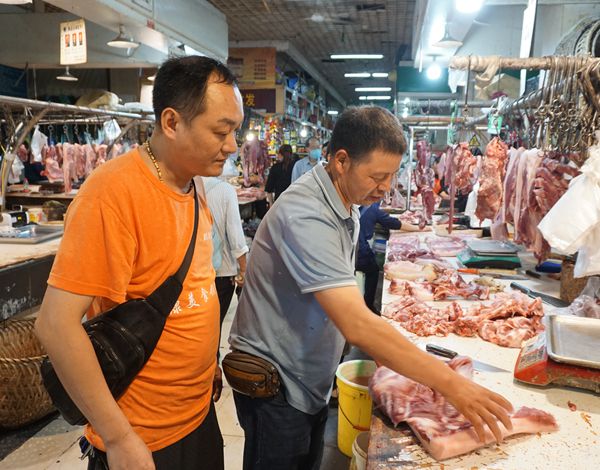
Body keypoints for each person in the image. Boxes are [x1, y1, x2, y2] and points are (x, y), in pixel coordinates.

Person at [229, 106, 513, 470]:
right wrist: (453, 386)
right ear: (342, 161)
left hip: (305, 377)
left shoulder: (344, 202)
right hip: (277, 386)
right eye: (378, 175)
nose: (385, 187)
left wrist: (397, 363)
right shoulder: (306, 213)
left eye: (392, 176)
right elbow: (357, 323)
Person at [35, 56, 244, 470]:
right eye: (222, 131)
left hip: (198, 416)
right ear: (171, 122)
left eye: (237, 130)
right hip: (143, 438)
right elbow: (55, 326)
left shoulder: (193, 183)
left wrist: (205, 369)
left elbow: (191, 283)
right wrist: (118, 437)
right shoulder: (112, 194)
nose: (233, 145)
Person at [356, 202, 420, 314]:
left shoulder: (356, 206)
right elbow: (394, 223)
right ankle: (368, 306)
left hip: (351, 248)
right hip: (360, 250)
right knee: (373, 270)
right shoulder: (372, 208)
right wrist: (420, 228)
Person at [202, 175, 248, 327]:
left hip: (192, 273)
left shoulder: (183, 186)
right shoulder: (225, 190)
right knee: (214, 327)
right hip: (222, 271)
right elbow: (236, 236)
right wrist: (243, 270)